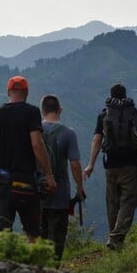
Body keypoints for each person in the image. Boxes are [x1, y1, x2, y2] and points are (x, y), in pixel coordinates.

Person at [0, 76, 56, 243]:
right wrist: (49, 176)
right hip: (26, 184)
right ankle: (33, 267)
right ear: (26, 92)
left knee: (2, 235)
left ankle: (4, 268)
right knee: (33, 235)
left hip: (2, 183)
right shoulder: (32, 112)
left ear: (8, 92)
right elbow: (37, 144)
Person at [83, 84, 137, 250]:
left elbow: (96, 140)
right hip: (132, 164)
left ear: (111, 95)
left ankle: (114, 238)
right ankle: (116, 238)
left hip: (111, 165)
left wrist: (90, 165)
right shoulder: (136, 114)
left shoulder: (104, 114)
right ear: (125, 95)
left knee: (113, 203)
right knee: (128, 202)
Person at [39, 94, 85, 261]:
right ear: (60, 110)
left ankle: (38, 271)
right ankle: (53, 270)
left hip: (37, 193)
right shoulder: (68, 133)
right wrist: (80, 187)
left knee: (38, 237)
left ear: (42, 111)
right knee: (57, 238)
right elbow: (74, 164)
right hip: (60, 194)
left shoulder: (35, 133)